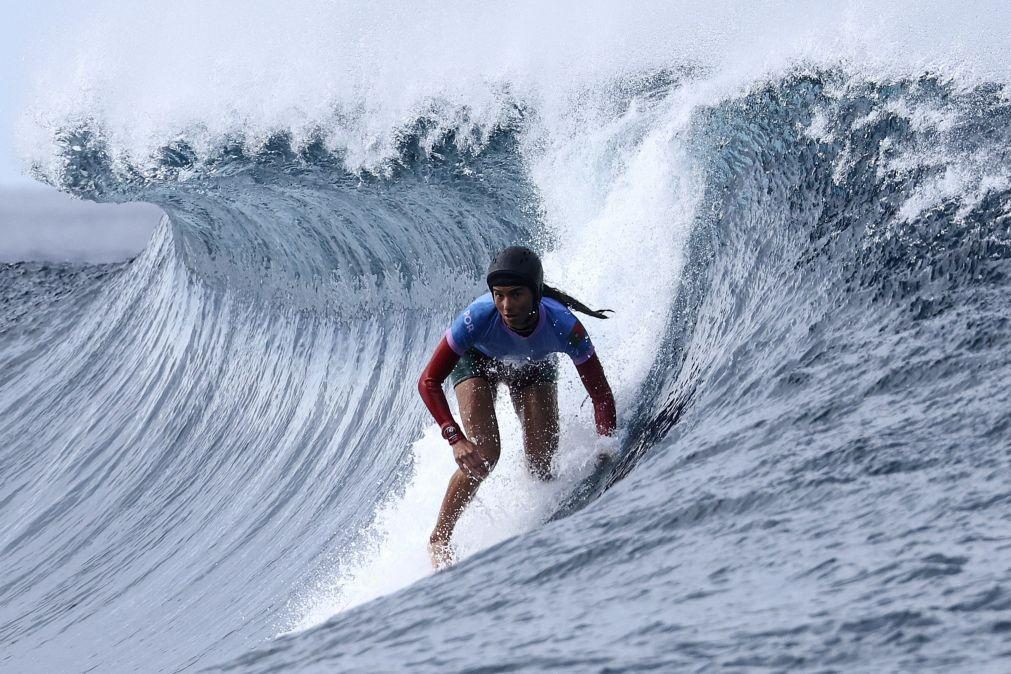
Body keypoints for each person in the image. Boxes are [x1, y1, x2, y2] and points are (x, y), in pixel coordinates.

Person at [418, 245, 617, 569]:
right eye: (498, 295)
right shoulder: (476, 318)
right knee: (484, 454)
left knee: (541, 463)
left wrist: (607, 446)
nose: (506, 306)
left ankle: (540, 528)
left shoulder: (565, 325)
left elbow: (601, 396)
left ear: (535, 293)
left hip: (533, 365)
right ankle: (440, 537)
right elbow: (428, 380)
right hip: (477, 363)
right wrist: (455, 438)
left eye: (516, 295)